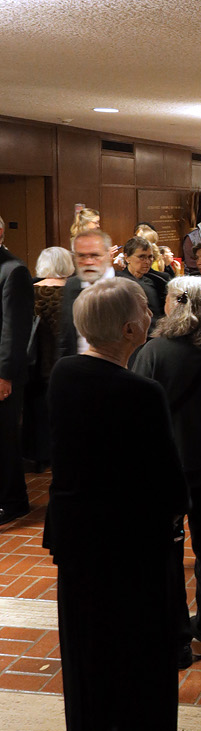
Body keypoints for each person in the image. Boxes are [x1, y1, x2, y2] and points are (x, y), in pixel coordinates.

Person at [46, 279, 201, 731]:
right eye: (144, 309)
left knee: (90, 666)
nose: (152, 314)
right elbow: (170, 488)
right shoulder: (139, 393)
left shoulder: (65, 373)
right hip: (131, 555)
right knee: (139, 675)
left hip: (79, 547)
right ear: (133, 330)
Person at [131, 275, 201, 663]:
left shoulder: (152, 353)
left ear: (172, 305)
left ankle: (176, 637)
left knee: (167, 554)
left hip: (166, 471)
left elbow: (138, 417)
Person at [22, 246, 74, 472]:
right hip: (64, 360)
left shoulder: (28, 291)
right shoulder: (72, 293)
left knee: (36, 409)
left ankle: (38, 454)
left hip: (34, 360)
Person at [0, 215, 34, 527]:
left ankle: (13, 501)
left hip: (2, 371)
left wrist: (5, 374)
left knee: (4, 438)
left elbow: (14, 328)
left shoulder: (14, 270)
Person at [58, 228, 118, 360]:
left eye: (95, 255)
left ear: (109, 255)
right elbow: (66, 336)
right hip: (78, 370)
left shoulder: (130, 288)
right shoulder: (71, 286)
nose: (88, 262)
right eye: (81, 256)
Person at [116, 235, 168, 319]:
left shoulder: (157, 281)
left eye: (150, 257)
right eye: (142, 257)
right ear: (127, 258)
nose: (147, 261)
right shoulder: (118, 283)